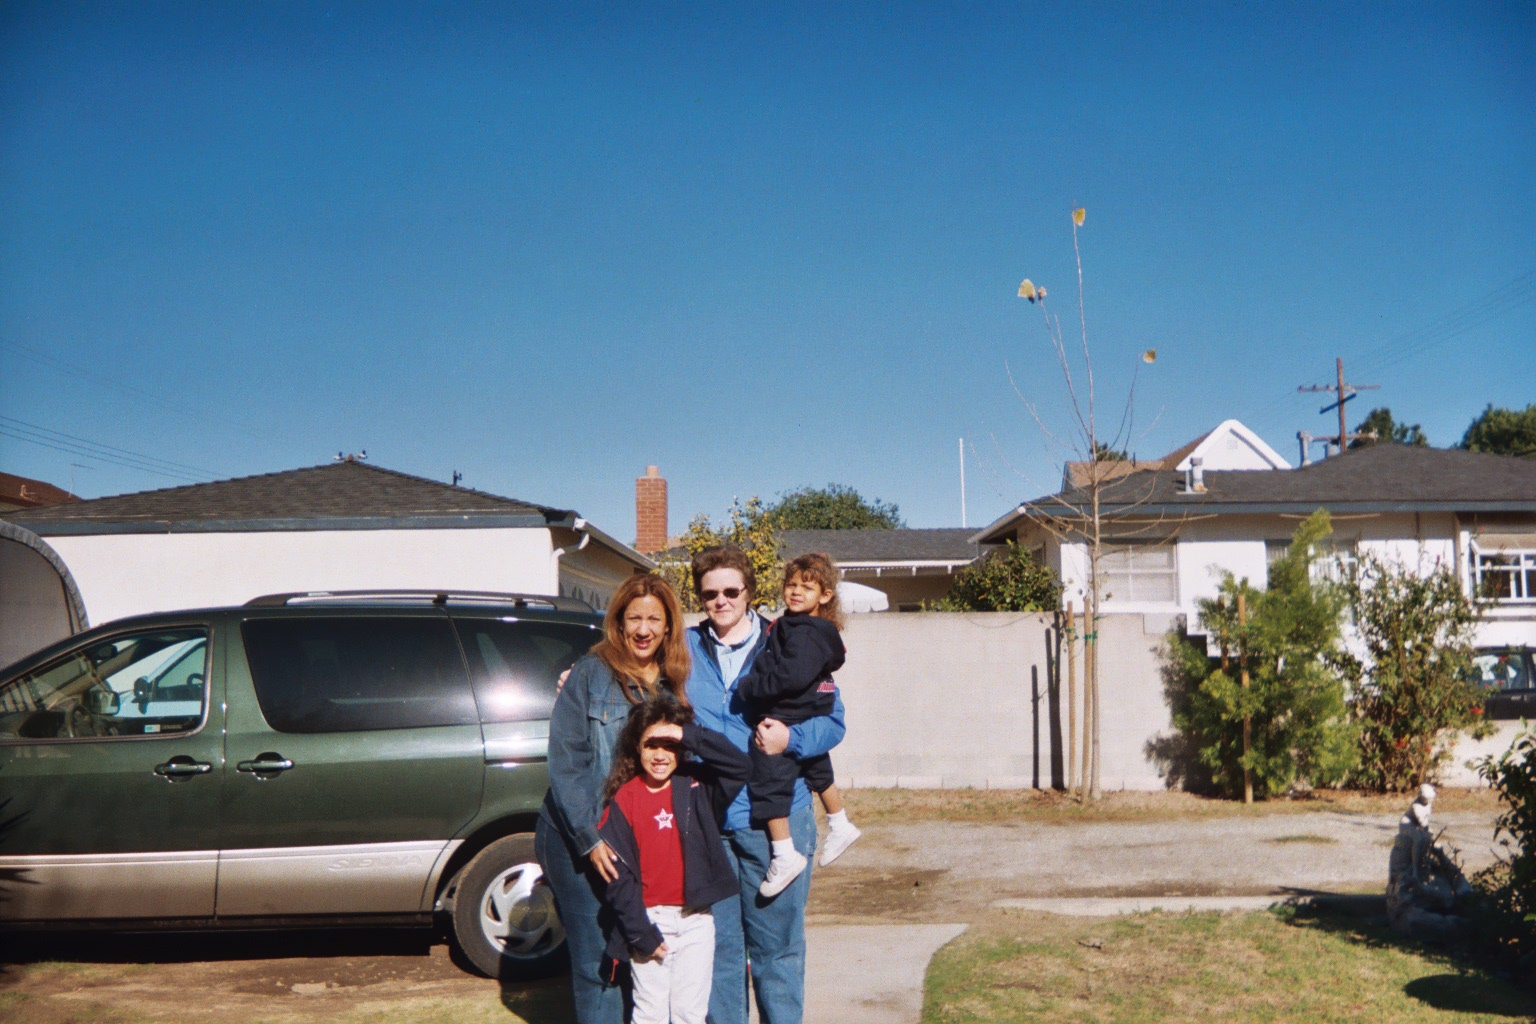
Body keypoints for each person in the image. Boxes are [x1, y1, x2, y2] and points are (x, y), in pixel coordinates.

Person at [685, 545, 846, 1024]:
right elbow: (625, 662)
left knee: (776, 951)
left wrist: (790, 739)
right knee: (719, 952)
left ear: (749, 592)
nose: (721, 601)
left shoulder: (791, 639)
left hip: (775, 822)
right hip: (709, 822)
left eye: (731, 591)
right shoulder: (684, 648)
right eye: (710, 593)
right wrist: (577, 676)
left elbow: (833, 722)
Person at [537, 572, 692, 1024]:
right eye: (634, 618)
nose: (643, 629)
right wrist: (590, 839)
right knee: (600, 963)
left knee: (639, 955)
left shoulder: (673, 684)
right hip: (579, 838)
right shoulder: (591, 674)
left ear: (668, 626)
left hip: (636, 841)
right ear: (619, 622)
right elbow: (568, 762)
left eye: (654, 619)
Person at [595, 697, 749, 1024]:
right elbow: (618, 878)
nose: (661, 755)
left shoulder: (696, 786)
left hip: (695, 921)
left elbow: (740, 766)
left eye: (670, 745)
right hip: (649, 921)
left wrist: (686, 733)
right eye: (651, 745)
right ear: (636, 747)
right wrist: (641, 934)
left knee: (689, 1014)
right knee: (649, 1015)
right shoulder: (624, 800)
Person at [735, 552, 862, 896]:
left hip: (788, 708)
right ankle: (839, 822)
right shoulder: (803, 626)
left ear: (825, 596)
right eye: (791, 585)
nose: (795, 592)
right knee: (815, 762)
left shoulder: (805, 631)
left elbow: (791, 676)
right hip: (807, 705)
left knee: (767, 769)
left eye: (807, 587)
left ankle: (784, 853)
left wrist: (750, 687)